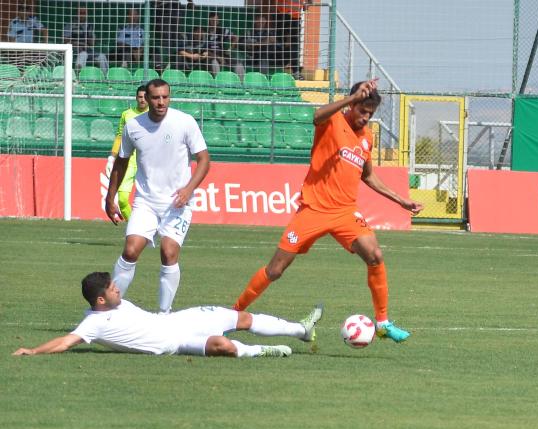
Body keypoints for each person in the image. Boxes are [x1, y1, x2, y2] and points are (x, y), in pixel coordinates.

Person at [233, 80, 424, 342]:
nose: (365, 118)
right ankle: (233, 313)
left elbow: (368, 176)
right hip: (313, 209)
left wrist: (401, 200)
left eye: (370, 114)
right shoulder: (333, 120)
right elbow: (316, 116)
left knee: (375, 255)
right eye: (362, 111)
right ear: (352, 104)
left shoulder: (366, 138)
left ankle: (382, 323)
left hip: (345, 212)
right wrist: (352, 98)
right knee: (275, 270)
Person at [12, 272, 322, 358]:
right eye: (113, 288)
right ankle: (263, 351)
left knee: (240, 318)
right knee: (223, 346)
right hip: (174, 343)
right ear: (100, 300)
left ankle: (301, 330)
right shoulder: (93, 323)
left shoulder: (115, 304)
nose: (118, 289)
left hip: (178, 320)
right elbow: (66, 342)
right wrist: (34, 351)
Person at [105, 79, 210, 313]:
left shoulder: (184, 122)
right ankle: (109, 310)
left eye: (165, 97)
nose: (161, 102)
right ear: (147, 99)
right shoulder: (134, 126)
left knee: (168, 252)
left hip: (177, 203)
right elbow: (121, 163)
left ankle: (164, 314)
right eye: (156, 98)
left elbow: (204, 159)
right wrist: (110, 198)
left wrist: (188, 189)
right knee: (130, 250)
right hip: (146, 202)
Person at [105, 84, 149, 221]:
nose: (142, 100)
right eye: (140, 97)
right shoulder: (127, 114)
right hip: (129, 161)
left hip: (147, 161)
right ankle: (135, 228)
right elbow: (119, 136)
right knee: (123, 200)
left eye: (145, 97)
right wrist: (112, 157)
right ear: (136, 98)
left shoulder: (153, 115)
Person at [63, 7, 109, 74]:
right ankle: (78, 75)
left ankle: (105, 76)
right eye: (80, 13)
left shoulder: (89, 26)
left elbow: (92, 43)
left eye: (84, 13)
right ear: (77, 14)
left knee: (102, 56)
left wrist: (90, 37)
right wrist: (77, 44)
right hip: (74, 51)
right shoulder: (70, 25)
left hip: (87, 50)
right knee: (83, 54)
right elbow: (65, 41)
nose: (82, 15)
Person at [272, 0, 309, 77]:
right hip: (282, 16)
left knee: (294, 44)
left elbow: (307, 4)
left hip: (295, 18)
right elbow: (277, 3)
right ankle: (281, 67)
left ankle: (295, 70)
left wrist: (307, 4)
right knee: (282, 42)